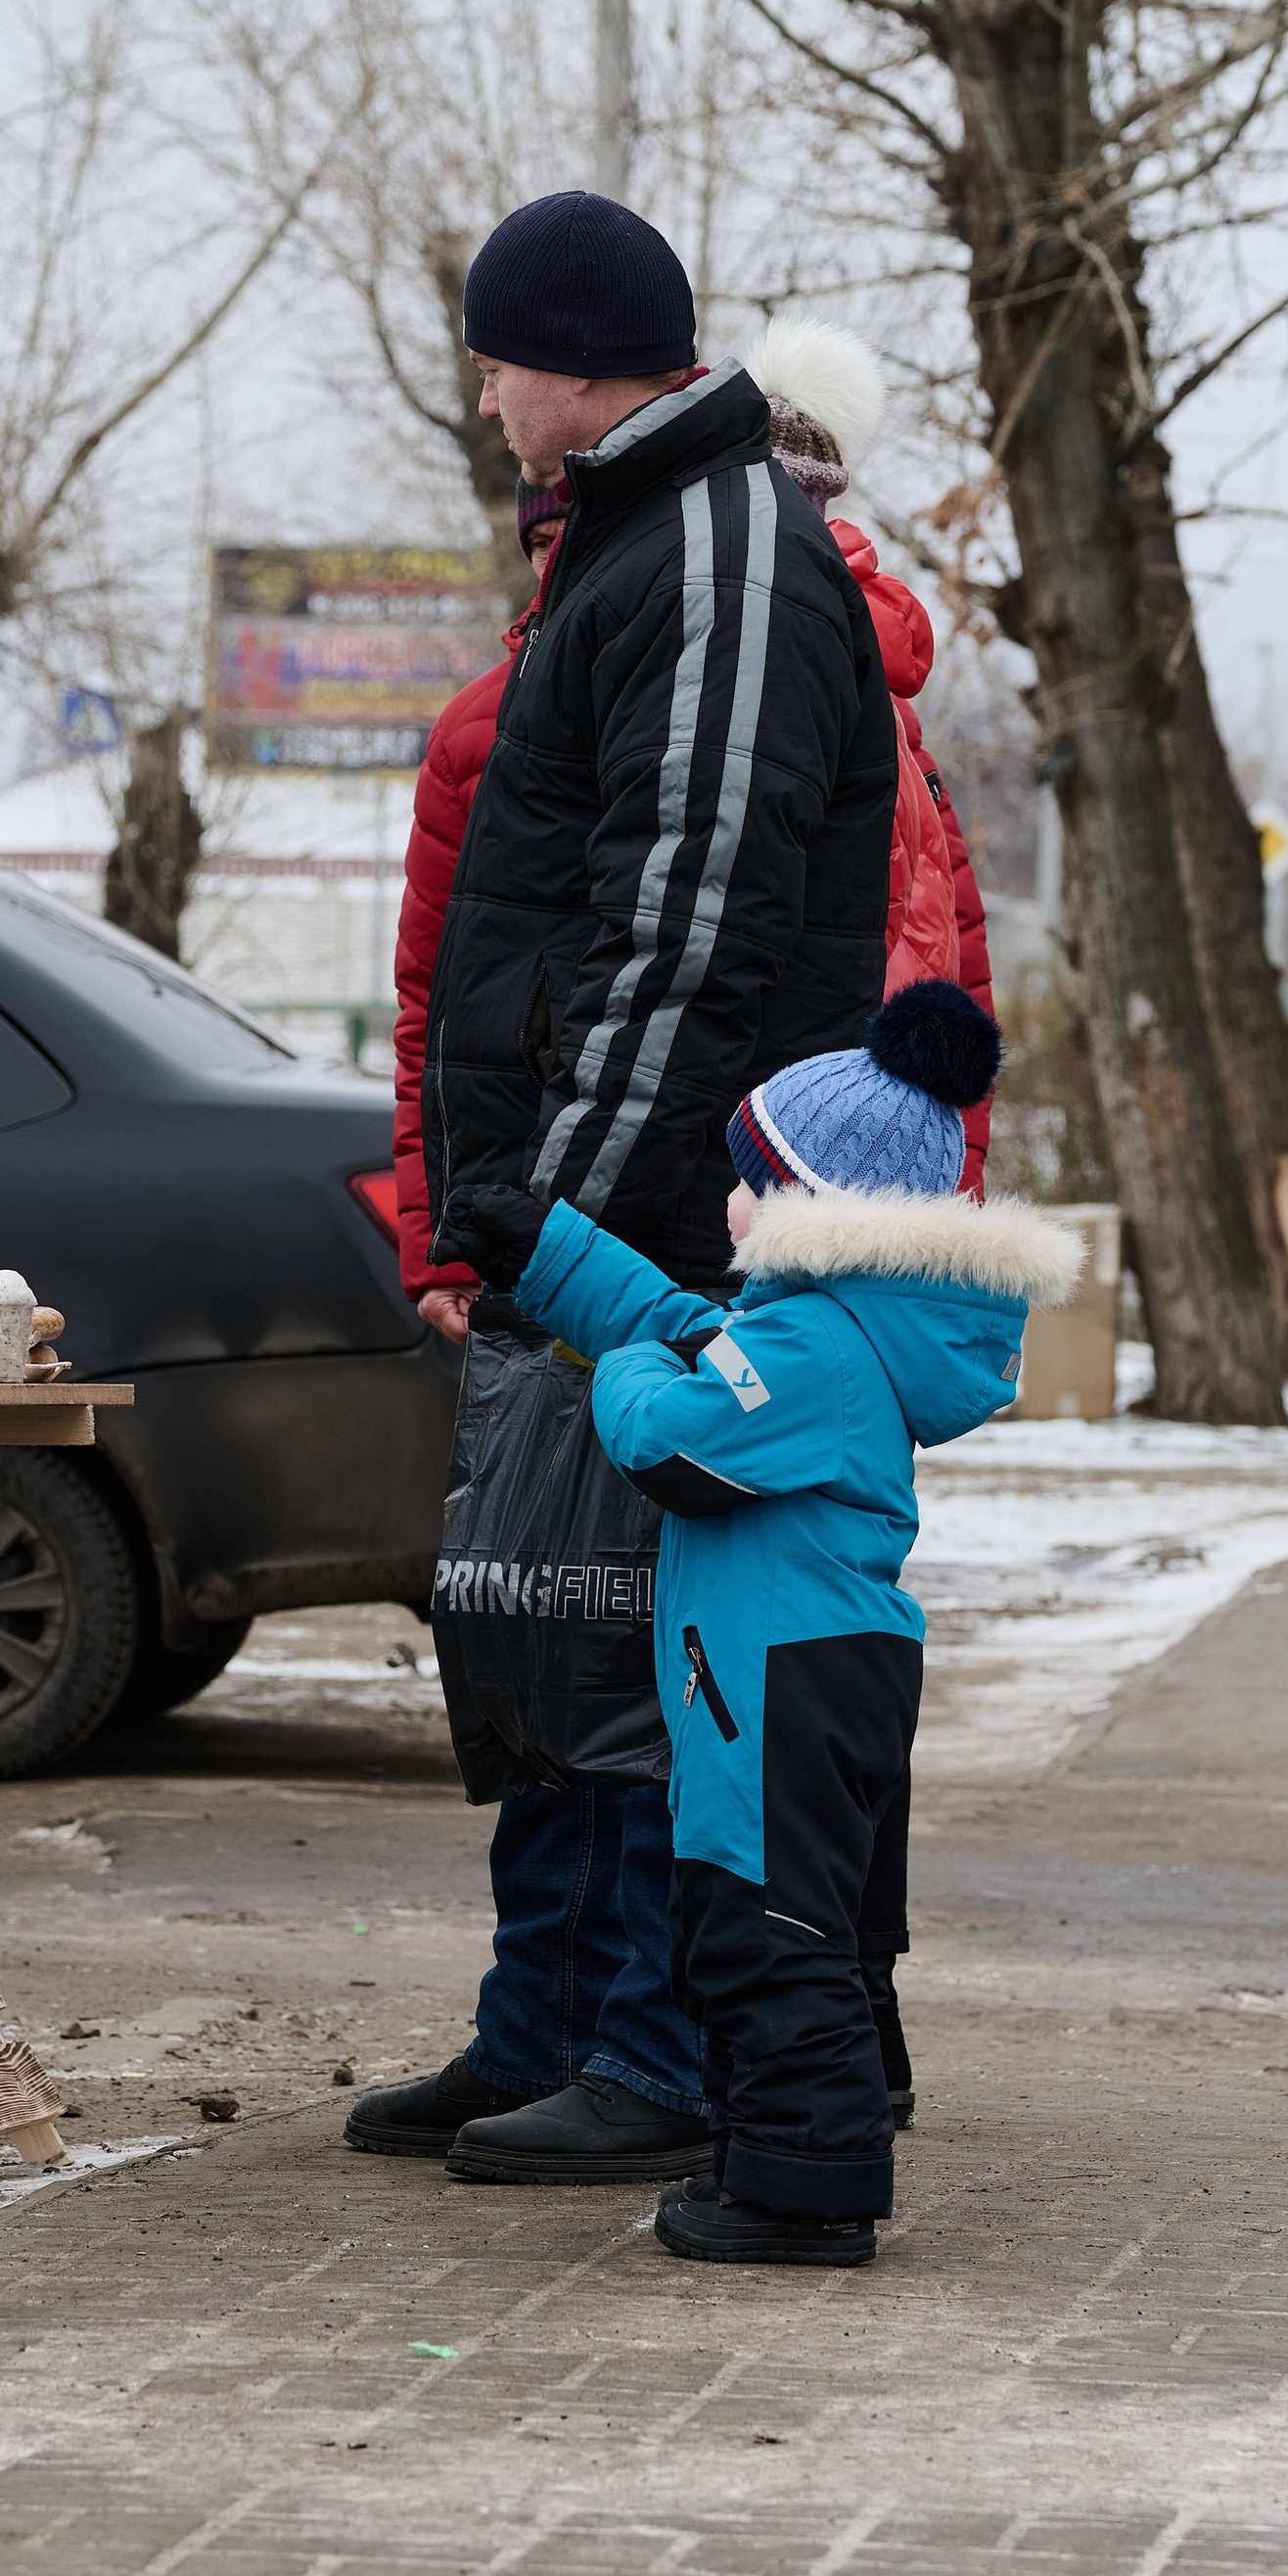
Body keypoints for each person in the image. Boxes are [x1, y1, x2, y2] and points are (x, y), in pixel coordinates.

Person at [350, 192, 894, 2188]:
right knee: (544, 1630)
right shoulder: (625, 539)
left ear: (576, 358)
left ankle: (660, 2051)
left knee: (650, 1657)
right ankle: (544, 2023)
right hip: (589, 1209)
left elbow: (687, 923)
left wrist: (555, 1224)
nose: (483, 395)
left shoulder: (722, 546)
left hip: (665, 1229)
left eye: (493, 357)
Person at [504, 982, 1074, 2264]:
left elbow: (667, 1435)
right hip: (832, 1664)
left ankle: (805, 2192)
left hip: (779, 1674)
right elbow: (702, 1335)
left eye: (751, 1183)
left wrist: (635, 1363)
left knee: (763, 1927)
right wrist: (540, 1250)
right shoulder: (837, 1334)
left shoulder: (809, 1346)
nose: (729, 1206)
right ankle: (796, 2143)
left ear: (820, 1213)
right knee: (817, 1925)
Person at [741, 319, 996, 1192]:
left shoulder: (788, 680)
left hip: (802, 1138)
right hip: (871, 1135)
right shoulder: (885, 701)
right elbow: (956, 947)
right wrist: (958, 1166)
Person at [387, 484, 570, 1312]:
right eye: (542, 539)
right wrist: (445, 1248)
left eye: (581, 532)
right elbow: (432, 1003)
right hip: (521, 1227)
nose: (558, 559)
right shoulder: (472, 730)